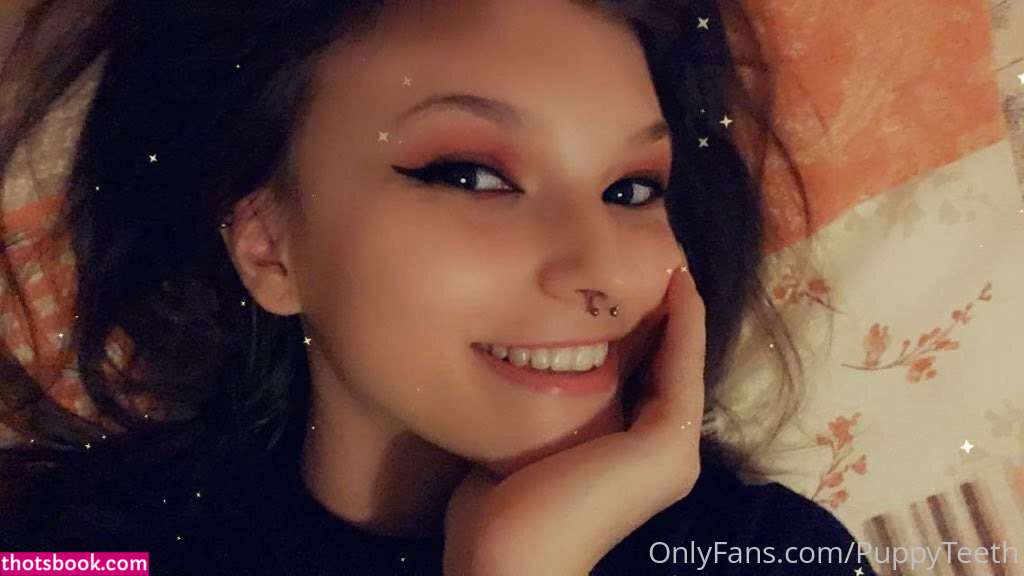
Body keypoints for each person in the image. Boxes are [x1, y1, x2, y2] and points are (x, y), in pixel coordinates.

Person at [0, 0, 878, 574]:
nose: (602, 268)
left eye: (631, 189)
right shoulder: (80, 548)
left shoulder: (769, 555)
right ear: (269, 247)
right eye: (472, 176)